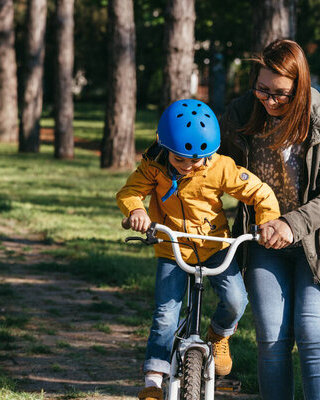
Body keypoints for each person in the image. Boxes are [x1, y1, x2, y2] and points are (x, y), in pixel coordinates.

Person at [219, 39, 320, 400]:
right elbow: (211, 160)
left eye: (280, 94)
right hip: (265, 243)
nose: (269, 101)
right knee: (272, 339)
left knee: (313, 335)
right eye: (262, 90)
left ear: (299, 88)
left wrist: (290, 224)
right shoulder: (242, 113)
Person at [116, 99, 280, 400]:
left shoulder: (219, 167)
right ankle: (153, 379)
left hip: (214, 246)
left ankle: (217, 335)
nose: (190, 166)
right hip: (172, 246)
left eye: (198, 160)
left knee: (235, 300)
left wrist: (267, 221)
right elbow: (129, 192)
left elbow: (259, 191)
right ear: (164, 146)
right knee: (166, 315)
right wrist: (137, 211)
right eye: (180, 160)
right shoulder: (154, 165)